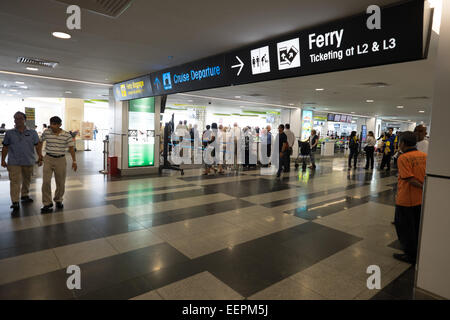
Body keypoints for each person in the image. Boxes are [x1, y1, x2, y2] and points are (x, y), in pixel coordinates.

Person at [393, 131, 427, 264]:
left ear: (403, 143)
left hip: (406, 199)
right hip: (419, 199)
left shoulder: (403, 158)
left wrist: (421, 187)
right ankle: (416, 251)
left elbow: (409, 178)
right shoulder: (424, 156)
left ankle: (410, 255)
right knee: (415, 226)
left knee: (404, 227)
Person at [1, 112, 42, 211]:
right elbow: (5, 147)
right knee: (14, 182)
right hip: (13, 161)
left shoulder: (32, 132)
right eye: (15, 118)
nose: (17, 120)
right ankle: (15, 201)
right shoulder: (9, 133)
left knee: (27, 179)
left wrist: (40, 156)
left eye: (20, 118)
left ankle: (24, 195)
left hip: (28, 160)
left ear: (25, 120)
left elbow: (37, 145)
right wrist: (2, 160)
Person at [39, 116, 77, 213]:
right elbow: (40, 142)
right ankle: (47, 203)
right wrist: (39, 155)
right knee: (46, 182)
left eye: (55, 124)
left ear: (60, 124)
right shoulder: (46, 132)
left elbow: (71, 148)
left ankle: (58, 199)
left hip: (60, 159)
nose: (53, 126)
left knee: (60, 182)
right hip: (48, 158)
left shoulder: (66, 135)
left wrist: (74, 161)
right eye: (51, 124)